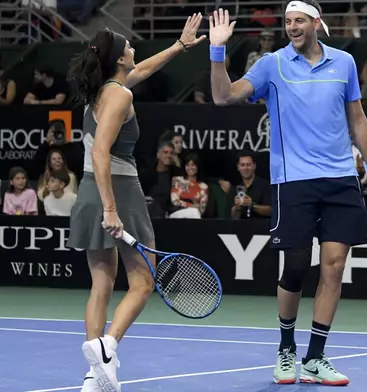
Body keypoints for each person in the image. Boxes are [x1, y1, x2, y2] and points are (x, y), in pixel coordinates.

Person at [209, 1, 367, 386]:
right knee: (296, 266)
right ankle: (286, 348)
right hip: (293, 181)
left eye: (299, 20)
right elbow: (224, 96)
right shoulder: (272, 64)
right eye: (287, 21)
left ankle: (315, 357)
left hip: (340, 178)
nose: (292, 27)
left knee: (335, 266)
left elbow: (357, 119)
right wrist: (217, 50)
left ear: (316, 23)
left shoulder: (344, 63)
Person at [66, 17, 206, 392]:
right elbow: (100, 151)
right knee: (144, 281)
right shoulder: (120, 95)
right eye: (127, 46)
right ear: (117, 59)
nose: (133, 49)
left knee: (101, 283)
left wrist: (179, 45)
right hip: (119, 191)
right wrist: (112, 209)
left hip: (89, 191)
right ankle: (108, 349)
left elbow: (143, 68)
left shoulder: (102, 90)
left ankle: (94, 376)